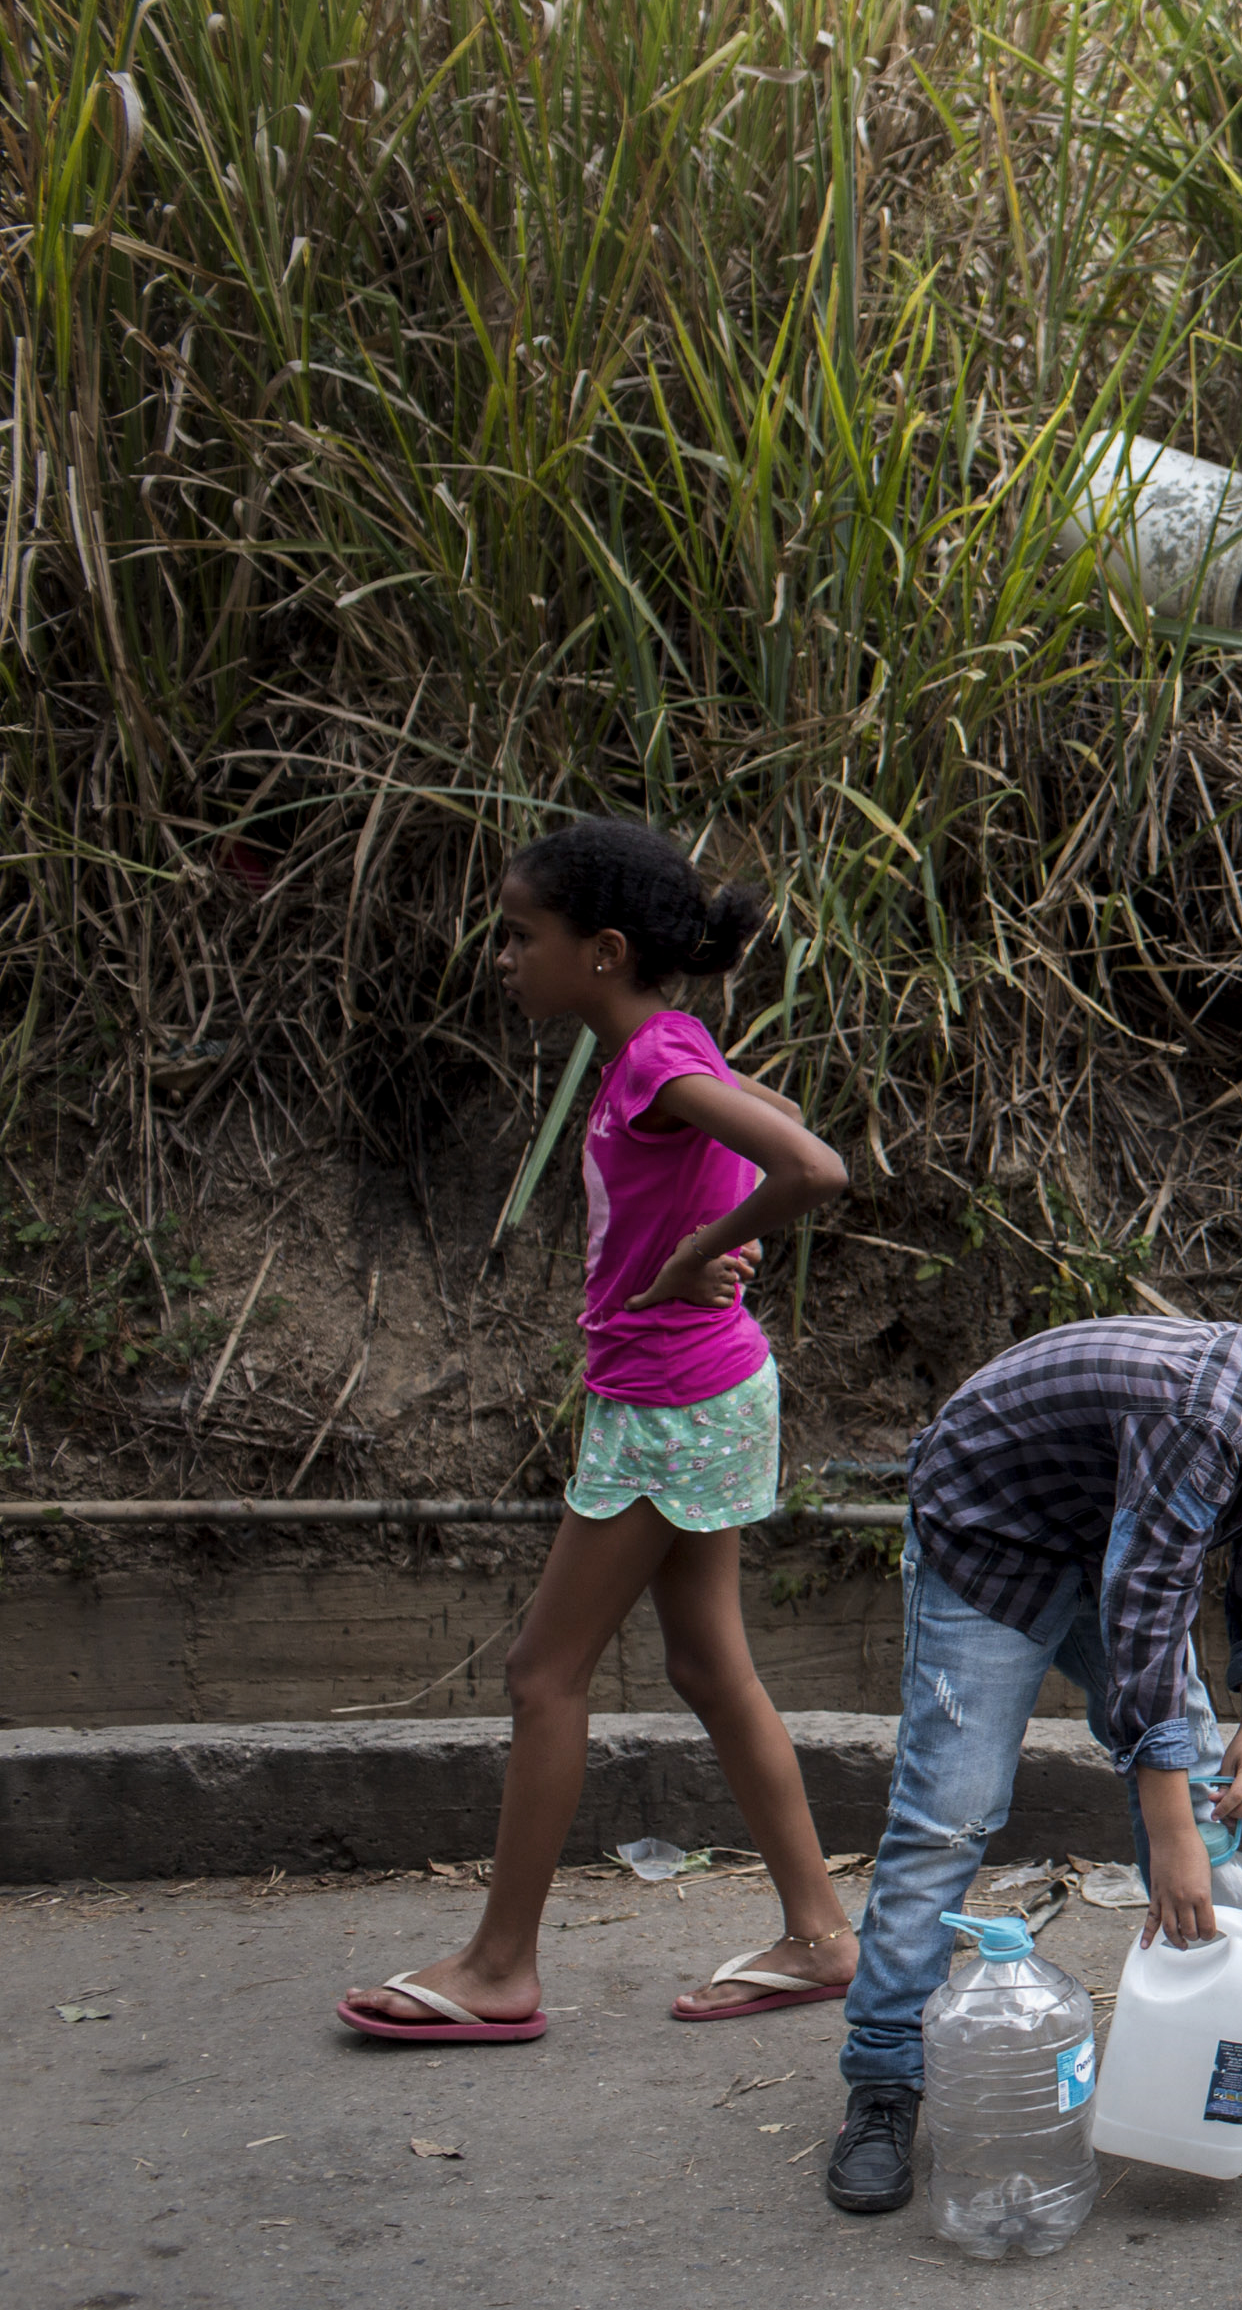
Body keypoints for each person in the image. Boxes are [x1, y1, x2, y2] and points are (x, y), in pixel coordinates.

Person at [339, 821, 856, 2042]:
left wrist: (692, 1256)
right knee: (706, 1666)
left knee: (542, 1673)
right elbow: (760, 1112)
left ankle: (500, 1968)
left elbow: (812, 1165)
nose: (504, 958)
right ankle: (824, 1933)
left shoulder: (650, 1065)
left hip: (671, 1403)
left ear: (604, 951)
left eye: (522, 937)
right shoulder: (666, 1045)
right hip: (701, 1387)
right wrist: (712, 1233)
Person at [824, 1289, 1242, 2214]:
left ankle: (1211, 2032)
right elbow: (1145, 1608)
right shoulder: (1203, 1415)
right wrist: (1166, 1826)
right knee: (952, 1811)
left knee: (1202, 1790)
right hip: (991, 1539)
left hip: (1111, 1537)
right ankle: (886, 2079)